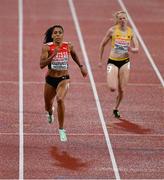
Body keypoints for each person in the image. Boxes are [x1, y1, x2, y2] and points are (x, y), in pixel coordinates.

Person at [40, 24, 87, 142]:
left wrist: (81, 67)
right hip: (50, 80)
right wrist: (53, 55)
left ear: (62, 35)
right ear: (52, 35)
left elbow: (75, 55)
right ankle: (50, 113)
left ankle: (61, 129)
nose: (57, 34)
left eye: (60, 32)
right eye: (55, 33)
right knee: (47, 106)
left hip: (64, 78)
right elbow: (41, 65)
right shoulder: (47, 47)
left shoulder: (68, 46)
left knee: (60, 99)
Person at [99, 11, 139, 118]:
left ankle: (116, 108)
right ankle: (112, 76)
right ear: (117, 20)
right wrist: (100, 60)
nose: (122, 20)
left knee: (122, 89)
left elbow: (137, 48)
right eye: (120, 19)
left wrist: (132, 49)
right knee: (112, 87)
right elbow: (102, 45)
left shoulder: (131, 32)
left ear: (127, 19)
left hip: (125, 61)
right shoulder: (112, 31)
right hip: (113, 61)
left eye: (124, 18)